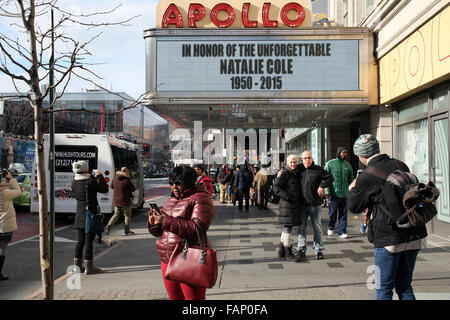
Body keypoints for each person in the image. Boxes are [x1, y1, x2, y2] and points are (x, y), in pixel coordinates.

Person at [347, 134, 427, 300]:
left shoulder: (367, 175)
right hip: (414, 232)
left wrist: (352, 188)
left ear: (362, 155)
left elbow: (354, 206)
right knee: (404, 286)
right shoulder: (400, 164)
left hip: (389, 237)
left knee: (383, 288)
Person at [148, 166, 215, 300]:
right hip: (167, 260)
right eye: (172, 183)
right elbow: (163, 232)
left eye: (178, 183)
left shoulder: (200, 199)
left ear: (189, 182)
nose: (174, 187)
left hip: (189, 260)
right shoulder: (171, 200)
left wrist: (165, 220)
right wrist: (154, 223)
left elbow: (197, 229)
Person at [71, 160, 108, 274]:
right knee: (88, 241)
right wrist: (100, 176)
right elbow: (104, 189)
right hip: (90, 214)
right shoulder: (90, 181)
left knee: (80, 241)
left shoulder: (74, 182)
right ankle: (89, 267)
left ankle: (77, 267)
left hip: (79, 213)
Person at [297, 151, 334, 260]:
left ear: (312, 159)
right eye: (305, 158)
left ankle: (318, 250)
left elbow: (330, 178)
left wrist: (322, 186)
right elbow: (288, 172)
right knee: (301, 228)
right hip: (302, 204)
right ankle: (301, 249)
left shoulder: (318, 169)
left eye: (309, 158)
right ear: (302, 159)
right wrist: (280, 173)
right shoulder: (299, 169)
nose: (307, 160)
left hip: (315, 205)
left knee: (317, 228)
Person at [274, 154, 303, 262]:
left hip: (292, 205)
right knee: (288, 228)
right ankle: (288, 253)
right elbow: (276, 188)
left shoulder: (294, 172)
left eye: (295, 162)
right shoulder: (285, 173)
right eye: (291, 162)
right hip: (287, 205)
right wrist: (288, 197)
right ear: (287, 162)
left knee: (287, 227)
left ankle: (281, 251)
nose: (293, 164)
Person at [324, 147, 354, 239]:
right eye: (343, 152)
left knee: (343, 213)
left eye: (345, 152)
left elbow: (351, 179)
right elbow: (325, 178)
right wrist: (326, 191)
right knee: (332, 212)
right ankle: (330, 227)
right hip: (333, 194)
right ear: (338, 153)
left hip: (344, 194)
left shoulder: (348, 165)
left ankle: (342, 231)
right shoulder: (330, 163)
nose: (344, 154)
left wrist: (352, 190)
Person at [0, 169, 21, 280]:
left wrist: (6, 181)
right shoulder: (5, 193)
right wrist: (11, 179)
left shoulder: (4, 190)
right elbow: (18, 191)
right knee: (2, 249)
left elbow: (4, 186)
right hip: (4, 225)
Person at [105, 167, 136, 236]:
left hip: (116, 200)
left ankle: (108, 226)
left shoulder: (115, 178)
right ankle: (127, 231)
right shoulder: (126, 179)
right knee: (127, 216)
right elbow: (133, 188)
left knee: (116, 214)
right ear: (126, 172)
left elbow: (111, 186)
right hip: (125, 200)